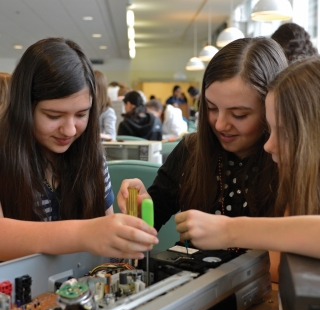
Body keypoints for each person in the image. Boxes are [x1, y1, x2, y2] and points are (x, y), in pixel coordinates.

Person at [117, 38, 288, 280]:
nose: (220, 124)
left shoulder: (289, 163)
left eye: (239, 114)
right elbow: (150, 220)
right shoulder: (191, 151)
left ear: (271, 109)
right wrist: (141, 208)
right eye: (211, 108)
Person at [0, 38, 158, 262]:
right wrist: (85, 233)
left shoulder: (90, 154)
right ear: (24, 107)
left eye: (82, 114)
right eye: (54, 116)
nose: (70, 130)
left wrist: (129, 229)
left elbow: (106, 245)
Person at [174, 56, 320, 262]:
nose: (268, 145)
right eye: (212, 108)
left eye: (284, 133)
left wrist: (228, 231)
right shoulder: (299, 185)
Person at [94, 70, 117, 141]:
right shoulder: (86, 108)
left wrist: (92, 135)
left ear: (100, 88)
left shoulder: (108, 112)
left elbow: (111, 136)